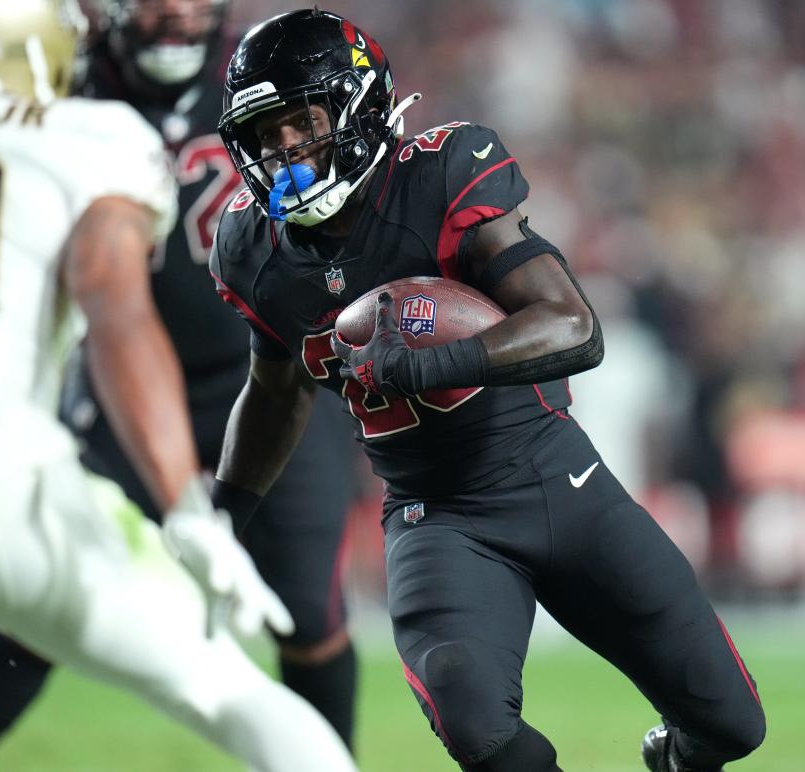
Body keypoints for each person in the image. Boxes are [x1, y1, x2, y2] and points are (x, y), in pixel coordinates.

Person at [209, 8, 767, 772]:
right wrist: (224, 518)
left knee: (735, 727)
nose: (285, 152)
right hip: (434, 513)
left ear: (359, 108)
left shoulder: (441, 173)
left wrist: (433, 363)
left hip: (558, 482)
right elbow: (274, 391)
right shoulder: (250, 248)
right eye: (266, 136)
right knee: (475, 722)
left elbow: (574, 327)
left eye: (302, 123)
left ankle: (671, 757)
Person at [0, 2, 359, 771]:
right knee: (226, 690)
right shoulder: (85, 129)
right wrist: (189, 507)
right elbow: (114, 304)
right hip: (3, 472)